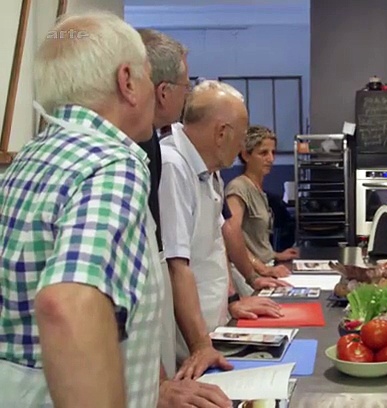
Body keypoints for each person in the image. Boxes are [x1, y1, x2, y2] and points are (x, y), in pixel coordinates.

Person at [0, 12, 161, 407]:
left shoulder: (30, 157)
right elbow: (68, 303)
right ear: (127, 81)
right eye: (148, 76)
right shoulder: (111, 163)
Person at [158, 80, 283, 380]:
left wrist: (232, 301)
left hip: (214, 330)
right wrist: (200, 345)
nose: (242, 147)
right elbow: (177, 265)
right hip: (189, 346)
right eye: (241, 137)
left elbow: (218, 242)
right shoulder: (172, 166)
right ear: (221, 133)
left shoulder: (209, 169)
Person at [136, 29, 231, 407]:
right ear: (162, 92)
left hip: (153, 361)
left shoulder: (149, 151)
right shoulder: (139, 161)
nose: (187, 94)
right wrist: (154, 383)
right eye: (184, 84)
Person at [225, 125, 300, 279]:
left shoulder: (259, 191)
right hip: (250, 274)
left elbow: (255, 240)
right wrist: (262, 269)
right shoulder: (239, 188)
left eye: (273, 153)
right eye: (263, 153)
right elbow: (231, 234)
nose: (271, 159)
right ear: (246, 155)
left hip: (267, 266)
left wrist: (275, 255)